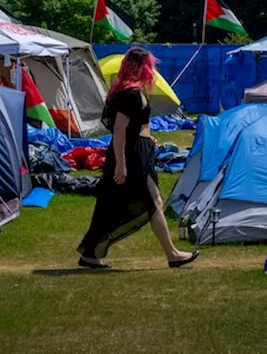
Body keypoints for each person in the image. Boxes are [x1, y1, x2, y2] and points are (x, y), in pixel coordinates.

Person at [78, 47, 199, 269]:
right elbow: (119, 130)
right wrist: (121, 166)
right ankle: (172, 254)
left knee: (118, 203)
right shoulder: (130, 94)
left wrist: (148, 138)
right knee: (152, 202)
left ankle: (89, 253)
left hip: (138, 150)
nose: (152, 70)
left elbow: (133, 126)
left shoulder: (129, 92)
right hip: (132, 156)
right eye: (149, 66)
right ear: (141, 67)